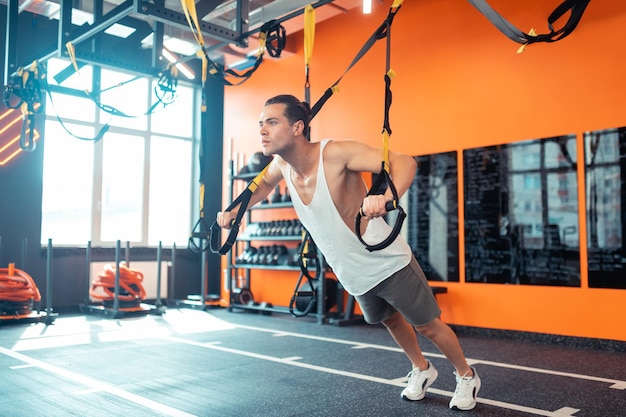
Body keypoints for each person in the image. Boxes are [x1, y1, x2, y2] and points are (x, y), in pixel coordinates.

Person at [217, 94, 481, 411]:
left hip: (384, 259)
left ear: (298, 127)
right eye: (261, 124)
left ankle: (466, 375)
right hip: (349, 268)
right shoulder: (281, 165)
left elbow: (404, 162)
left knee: (427, 325)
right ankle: (422, 369)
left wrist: (385, 197)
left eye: (272, 122)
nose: (262, 130)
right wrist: (236, 210)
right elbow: (260, 186)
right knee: (390, 322)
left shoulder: (335, 154)